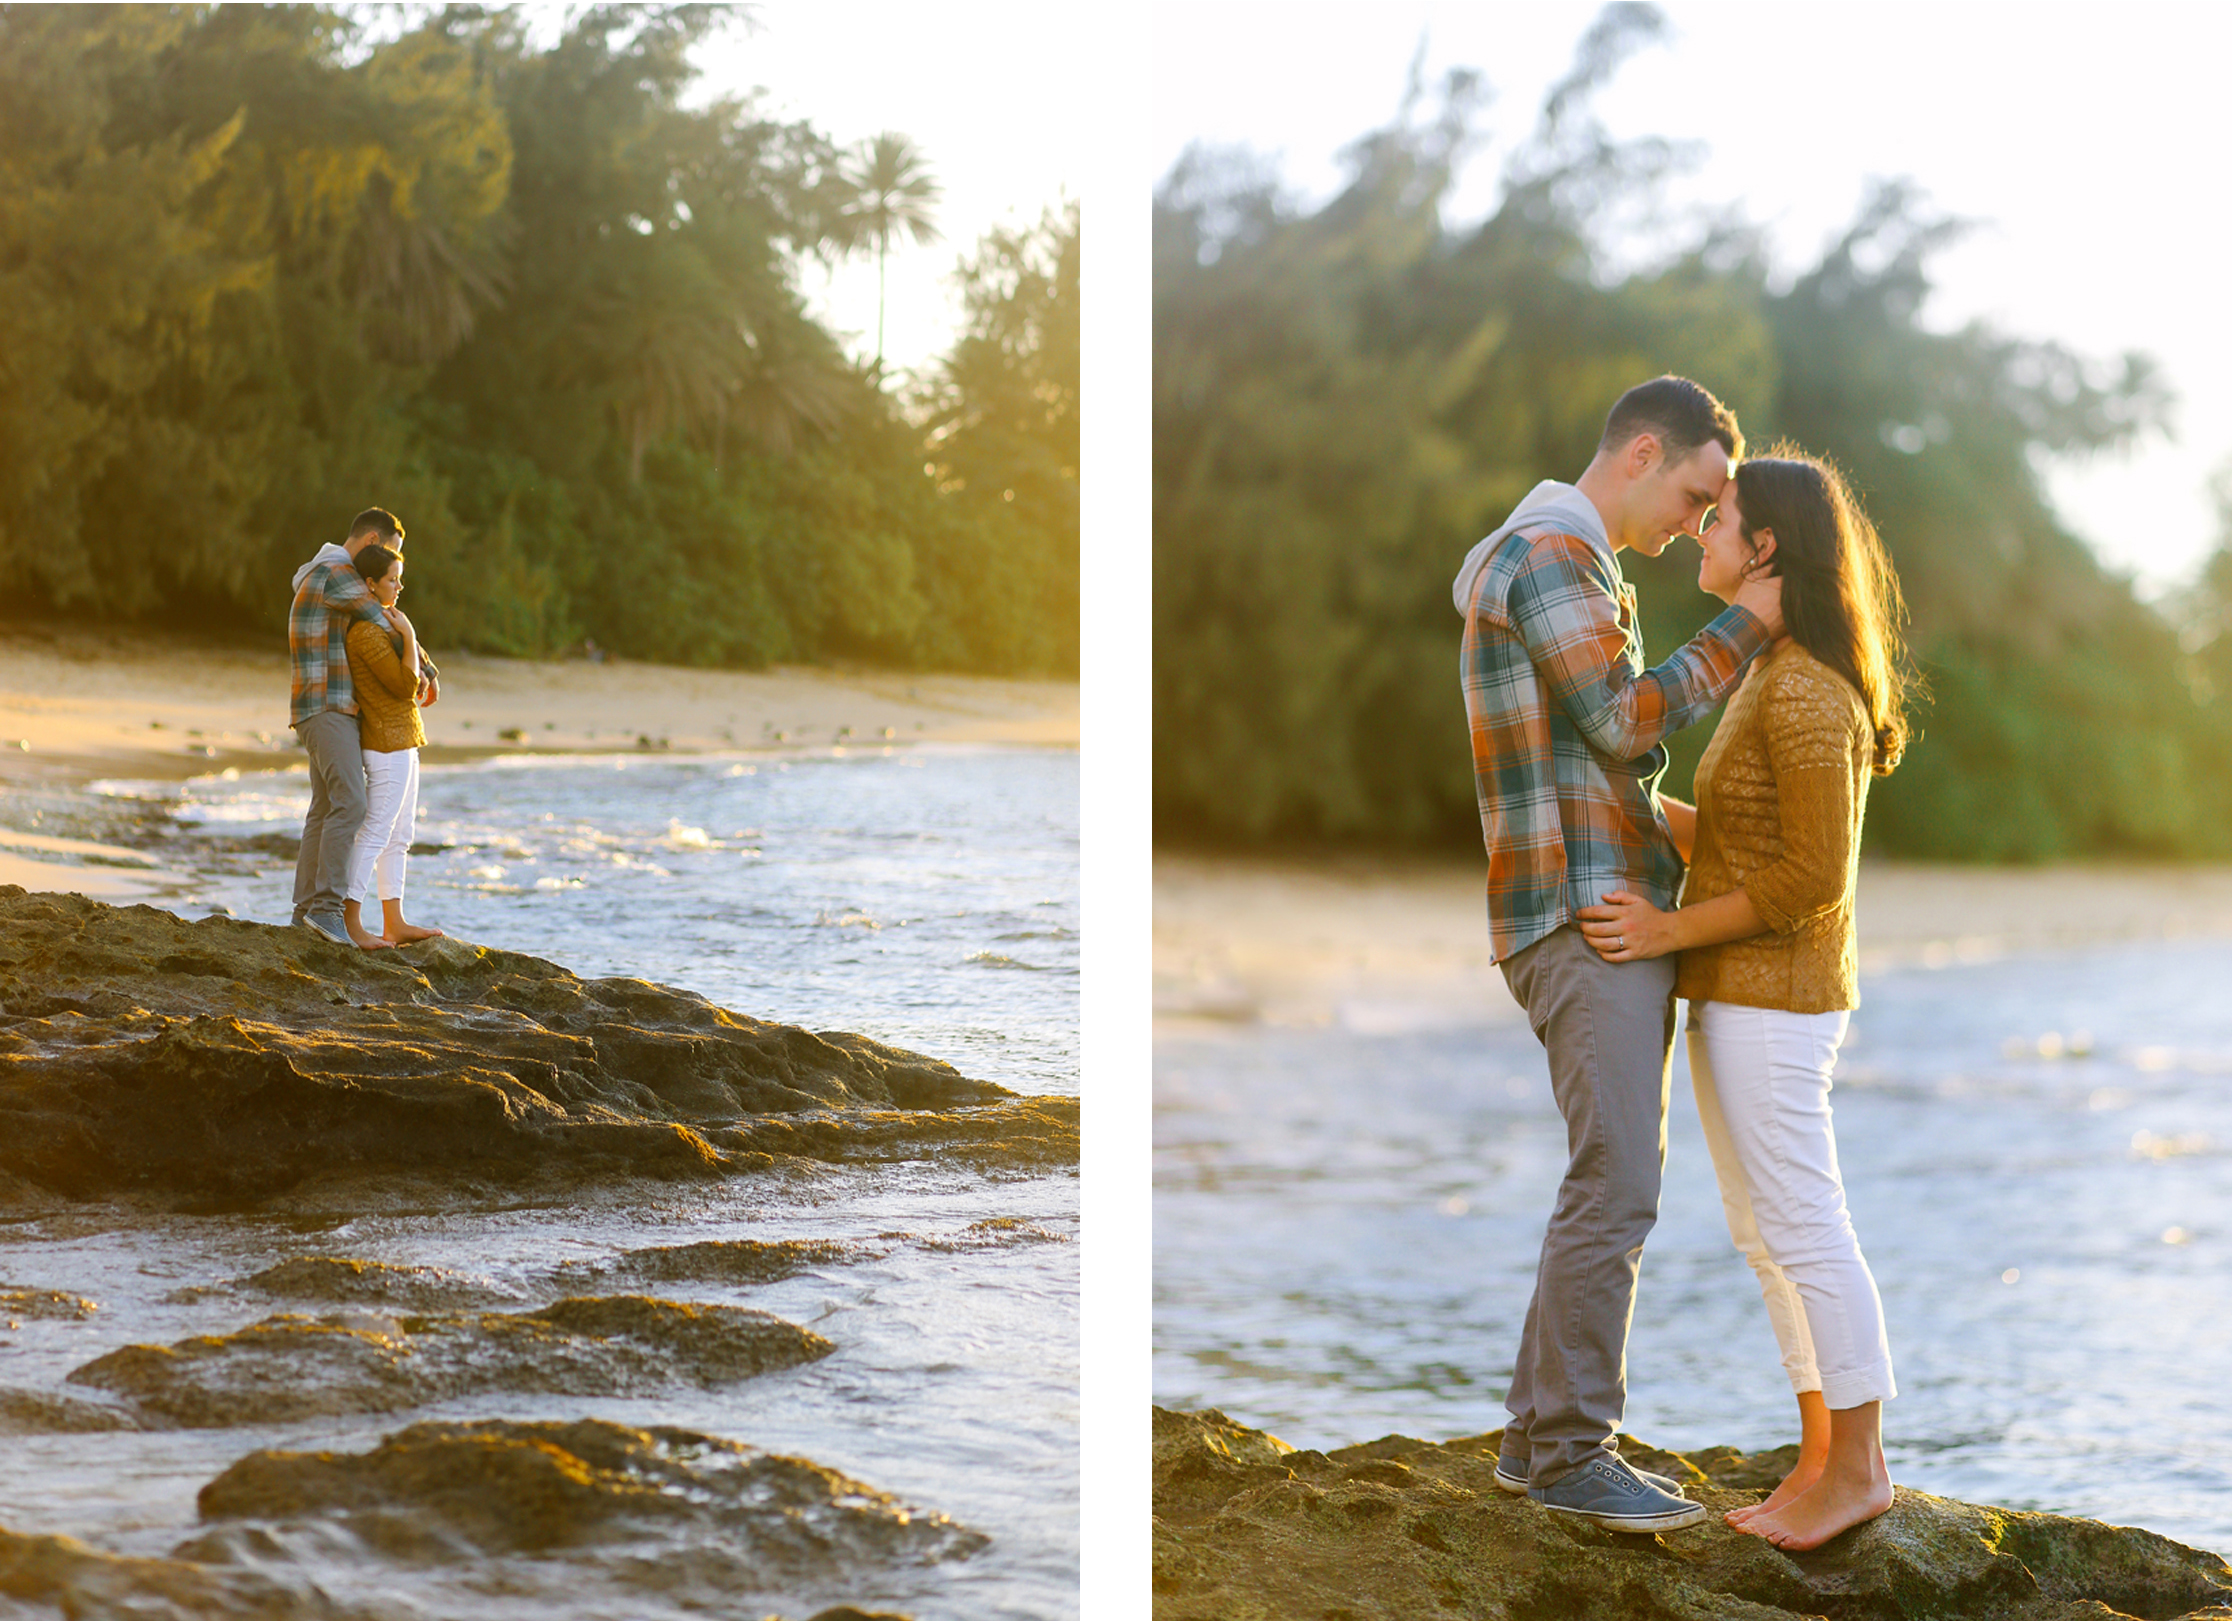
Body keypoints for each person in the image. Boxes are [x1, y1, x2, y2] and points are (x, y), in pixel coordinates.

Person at [1454, 375, 1784, 1534]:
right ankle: (1570, 1455)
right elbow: (1627, 722)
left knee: (1606, 1178)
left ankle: (1535, 1444)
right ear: (1642, 452)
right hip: (1581, 918)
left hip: (1593, 907)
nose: (1696, 526)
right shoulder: (1553, 554)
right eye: (1696, 496)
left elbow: (1612, 775)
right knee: (1619, 1185)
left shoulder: (1574, 563)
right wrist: (1749, 625)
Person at [1576, 448, 1912, 1550]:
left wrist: (1668, 926)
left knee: (1805, 1226)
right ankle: (1819, 1454)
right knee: (1764, 1234)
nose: (1704, 532)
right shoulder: (1769, 675)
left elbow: (1814, 875)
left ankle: (1859, 1467)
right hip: (1737, 997)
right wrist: (1626, 805)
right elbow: (1737, 843)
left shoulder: (1810, 687)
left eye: (1719, 519)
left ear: (1765, 548)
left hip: (1781, 1001)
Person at [288, 508, 438, 946]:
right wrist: (428, 669)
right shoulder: (336, 572)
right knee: (352, 804)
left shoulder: (326, 570)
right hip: (327, 704)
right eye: (389, 554)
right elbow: (381, 615)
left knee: (326, 806)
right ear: (373, 540)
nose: (388, 567)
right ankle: (326, 911)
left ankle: (305, 912)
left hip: (321, 705)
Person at [342, 544, 443, 949]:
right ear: (371, 583)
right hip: (384, 743)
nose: (399, 586)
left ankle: (393, 921)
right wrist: (411, 633)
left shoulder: (384, 623)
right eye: (391, 579)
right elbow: (404, 685)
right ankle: (351, 920)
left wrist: (416, 652)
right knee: (376, 832)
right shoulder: (366, 631)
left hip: (404, 738)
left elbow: (413, 677)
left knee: (400, 835)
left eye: (399, 578)